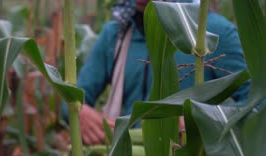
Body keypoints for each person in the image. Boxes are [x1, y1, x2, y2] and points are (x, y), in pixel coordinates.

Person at [65, 0, 249, 145]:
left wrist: (204, 119)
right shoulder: (115, 35)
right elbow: (70, 99)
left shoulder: (214, 34)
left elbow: (257, 103)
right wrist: (80, 111)